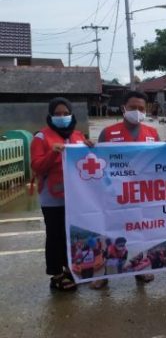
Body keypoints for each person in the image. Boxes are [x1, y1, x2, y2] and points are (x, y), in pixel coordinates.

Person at [91, 90, 160, 289]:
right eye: (133, 108)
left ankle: (140, 269)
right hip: (114, 195)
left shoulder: (152, 134)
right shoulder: (108, 133)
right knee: (109, 233)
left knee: (139, 232)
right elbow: (98, 162)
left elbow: (160, 163)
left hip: (141, 195)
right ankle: (102, 274)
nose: (137, 111)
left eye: (141, 108)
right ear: (123, 108)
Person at [31, 97, 91, 291]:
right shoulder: (41, 137)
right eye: (57, 114)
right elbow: (37, 166)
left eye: (65, 113)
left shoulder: (78, 136)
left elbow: (87, 162)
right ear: (50, 115)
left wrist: (91, 148)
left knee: (72, 234)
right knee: (55, 234)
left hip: (75, 196)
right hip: (52, 197)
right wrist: (53, 153)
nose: (62, 117)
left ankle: (70, 268)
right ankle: (56, 273)